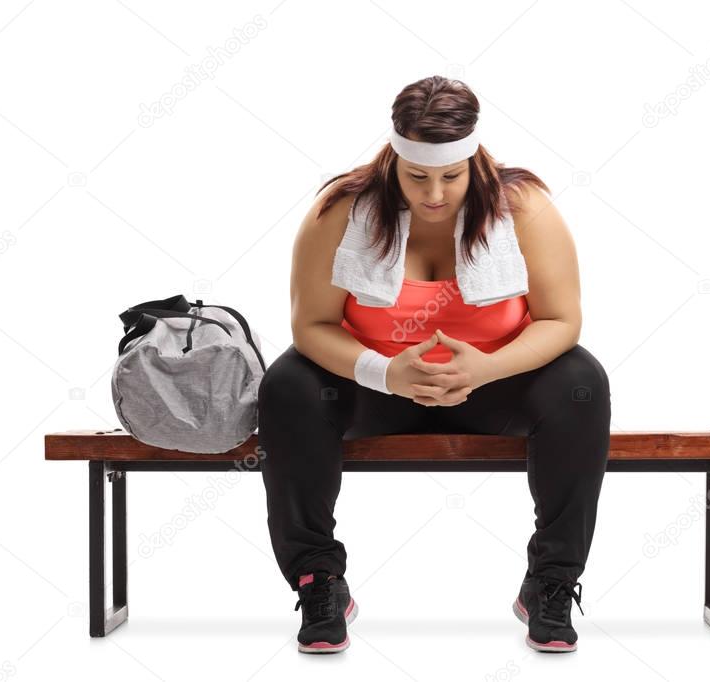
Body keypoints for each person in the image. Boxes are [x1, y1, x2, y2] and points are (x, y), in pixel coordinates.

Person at [258, 75, 611, 654]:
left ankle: (552, 580)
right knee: (290, 383)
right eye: (417, 176)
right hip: (377, 392)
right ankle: (317, 578)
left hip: (492, 393)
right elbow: (311, 328)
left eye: (451, 176)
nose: (435, 194)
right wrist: (386, 371)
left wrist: (486, 369)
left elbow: (562, 321)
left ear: (472, 160)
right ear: (394, 159)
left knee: (581, 381)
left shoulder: (523, 207)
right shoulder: (341, 210)